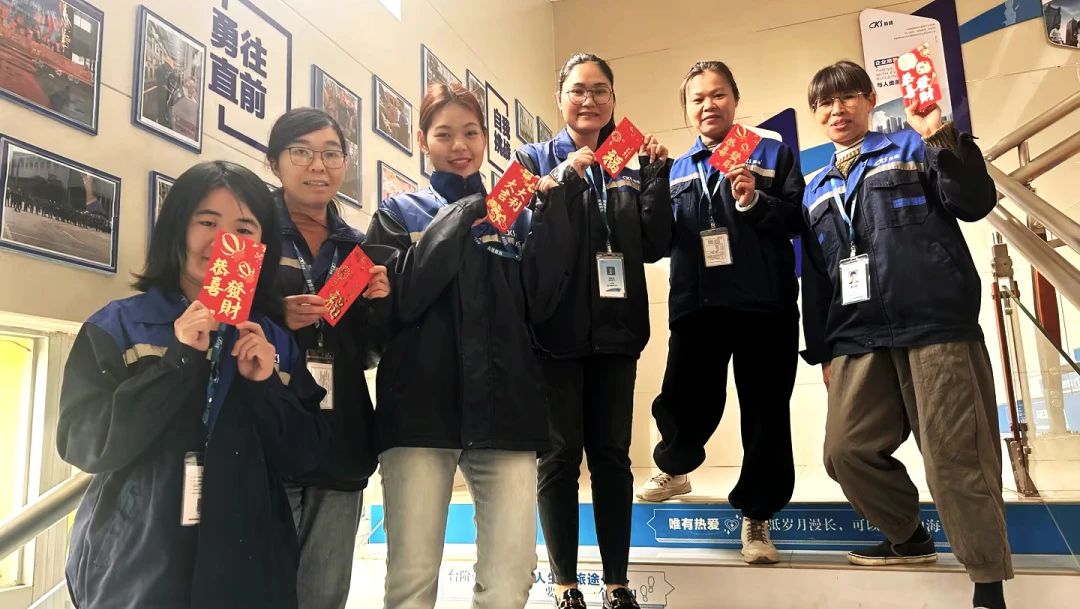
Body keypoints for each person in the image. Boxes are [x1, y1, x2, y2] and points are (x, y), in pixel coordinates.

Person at [57, 160, 328, 609]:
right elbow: (83, 443)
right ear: (177, 229)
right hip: (136, 568)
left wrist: (265, 387)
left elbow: (306, 456)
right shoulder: (119, 326)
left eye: (244, 228)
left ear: (262, 245)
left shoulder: (274, 342)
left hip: (247, 571)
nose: (224, 241)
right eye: (207, 221)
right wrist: (178, 362)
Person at [799, 60, 1013, 609]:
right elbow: (817, 278)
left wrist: (940, 135)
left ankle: (987, 584)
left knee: (954, 456)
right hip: (858, 335)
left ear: (871, 100)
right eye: (825, 102)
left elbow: (974, 202)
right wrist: (823, 351)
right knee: (845, 451)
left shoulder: (914, 147)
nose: (837, 109)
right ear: (815, 114)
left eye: (848, 96)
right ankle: (908, 536)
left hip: (934, 323)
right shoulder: (815, 188)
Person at [365, 82, 575, 609]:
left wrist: (553, 220)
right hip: (419, 415)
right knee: (411, 582)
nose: (459, 145)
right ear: (421, 141)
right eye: (444, 134)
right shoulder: (396, 213)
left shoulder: (515, 214)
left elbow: (540, 306)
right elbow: (400, 302)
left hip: (506, 413)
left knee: (511, 579)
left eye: (471, 133)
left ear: (485, 139)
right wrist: (464, 214)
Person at [634, 61, 805, 565]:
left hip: (765, 305)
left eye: (718, 95)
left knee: (766, 414)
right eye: (698, 99)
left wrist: (756, 201)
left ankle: (757, 515)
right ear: (686, 110)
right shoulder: (675, 169)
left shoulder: (771, 153)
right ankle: (676, 467)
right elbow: (658, 241)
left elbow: (798, 217)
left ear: (735, 98)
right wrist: (650, 183)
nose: (708, 105)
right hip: (698, 305)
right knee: (682, 403)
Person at [517, 53, 672, 609]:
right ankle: (564, 583)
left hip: (617, 328)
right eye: (578, 90)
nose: (589, 100)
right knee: (559, 456)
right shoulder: (531, 158)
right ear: (559, 98)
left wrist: (655, 178)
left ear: (613, 99)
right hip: (553, 329)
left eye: (601, 90)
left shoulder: (629, 158)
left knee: (612, 456)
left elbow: (654, 244)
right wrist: (561, 179)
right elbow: (511, 226)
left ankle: (616, 583)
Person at [266, 108, 392, 609]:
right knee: (262, 589)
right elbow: (219, 319)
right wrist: (276, 316)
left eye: (331, 154)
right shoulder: (250, 231)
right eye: (301, 152)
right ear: (275, 161)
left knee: (323, 595)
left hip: (341, 437)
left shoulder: (358, 250)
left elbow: (369, 353)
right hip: (267, 434)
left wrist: (380, 305)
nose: (318, 165)